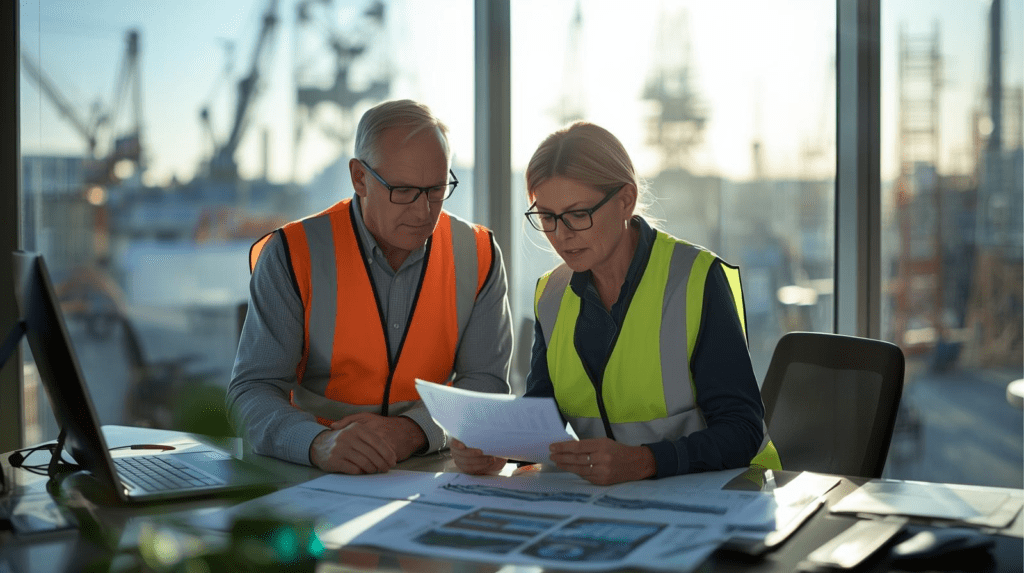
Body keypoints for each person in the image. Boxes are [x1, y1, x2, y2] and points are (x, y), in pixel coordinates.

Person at [452, 121, 780, 485]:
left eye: (578, 214)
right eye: (547, 217)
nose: (561, 235)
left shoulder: (695, 279)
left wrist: (645, 461)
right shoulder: (553, 294)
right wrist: (494, 444)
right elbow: (542, 419)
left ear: (625, 200)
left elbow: (742, 430)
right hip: (621, 504)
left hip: (728, 496)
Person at [228, 99, 513, 474]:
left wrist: (412, 431)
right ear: (359, 178)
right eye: (404, 190)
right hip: (312, 470)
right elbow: (251, 391)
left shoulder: (478, 253)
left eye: (437, 189)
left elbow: (487, 384)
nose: (423, 211)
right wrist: (316, 442)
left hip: (429, 469)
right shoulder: (292, 253)